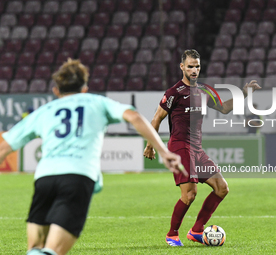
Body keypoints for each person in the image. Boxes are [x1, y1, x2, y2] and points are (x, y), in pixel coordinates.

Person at [0, 58, 187, 255]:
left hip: (44, 179)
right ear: (84, 88)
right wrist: (164, 152)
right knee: (51, 251)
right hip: (78, 178)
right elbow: (133, 117)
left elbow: (4, 147)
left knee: (34, 250)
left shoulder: (44, 111)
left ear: (56, 90)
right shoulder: (97, 102)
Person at [143, 49, 261, 246]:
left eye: (197, 66)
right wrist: (150, 145)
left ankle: (196, 231)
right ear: (182, 67)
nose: (194, 70)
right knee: (189, 194)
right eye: (190, 66)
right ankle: (172, 234)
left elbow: (224, 108)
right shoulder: (174, 93)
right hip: (179, 147)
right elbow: (156, 119)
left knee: (222, 188)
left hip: (197, 148)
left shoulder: (205, 91)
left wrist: (244, 93)